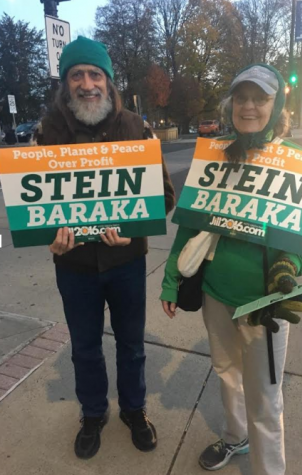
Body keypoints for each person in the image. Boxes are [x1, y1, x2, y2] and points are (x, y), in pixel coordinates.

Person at [160, 64, 302, 475]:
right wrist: (169, 282)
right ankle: (235, 438)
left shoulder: (299, 162)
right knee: (226, 375)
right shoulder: (216, 153)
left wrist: (288, 266)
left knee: (266, 395)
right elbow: (190, 224)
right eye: (242, 97)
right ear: (232, 103)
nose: (249, 106)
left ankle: (270, 469)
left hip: (264, 302)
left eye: (261, 98)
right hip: (216, 293)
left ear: (277, 104)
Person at [34, 36, 175, 460]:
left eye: (95, 74)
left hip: (127, 261)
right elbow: (34, 205)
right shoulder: (48, 132)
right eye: (77, 75)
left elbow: (164, 196)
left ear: (109, 82)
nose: (87, 83)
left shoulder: (136, 128)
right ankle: (93, 413)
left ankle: (133, 409)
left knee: (132, 345)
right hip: (74, 264)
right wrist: (51, 233)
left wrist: (133, 228)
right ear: (66, 84)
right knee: (84, 348)